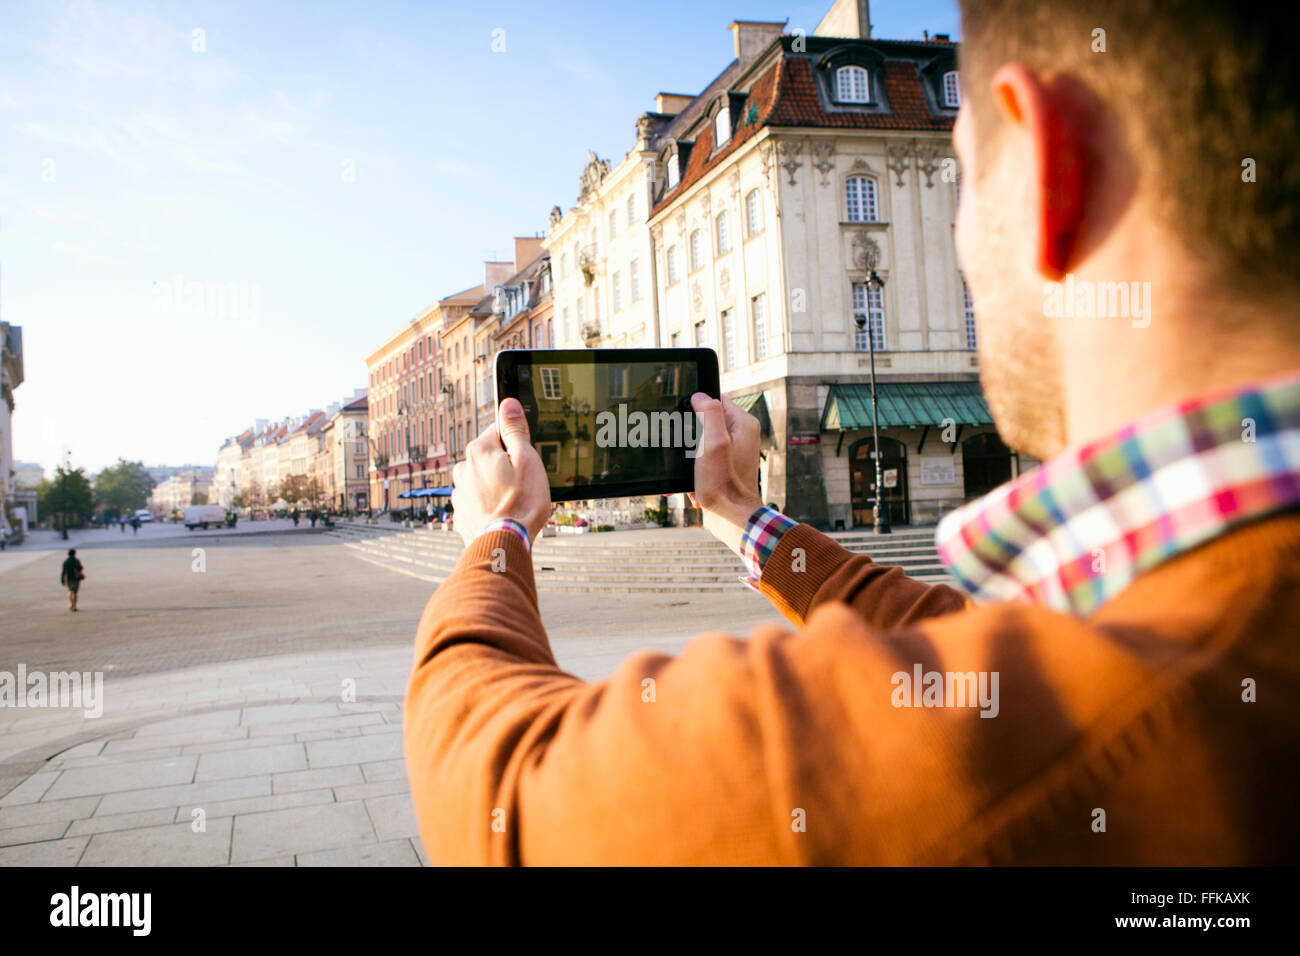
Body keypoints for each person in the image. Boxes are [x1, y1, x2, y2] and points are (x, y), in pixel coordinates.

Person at [401, 0, 1300, 866]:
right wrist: (739, 514)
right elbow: (967, 647)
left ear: (1046, 169)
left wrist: (499, 539)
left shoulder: (1069, 721)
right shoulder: (1203, 619)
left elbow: (506, 796)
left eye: (968, 179)